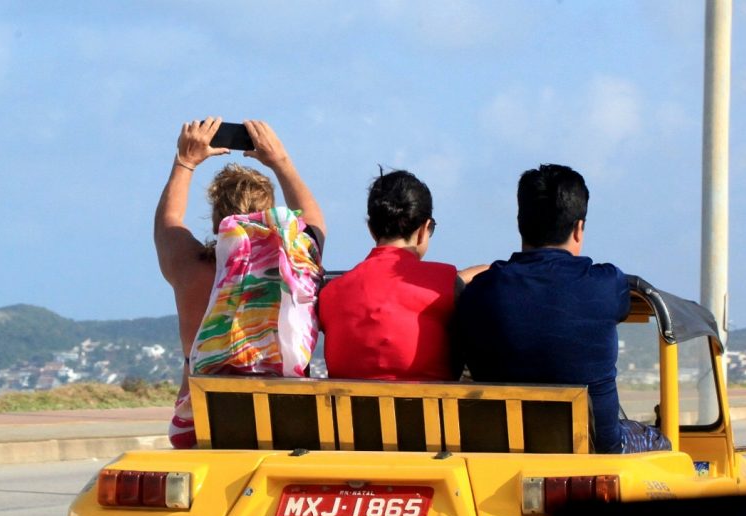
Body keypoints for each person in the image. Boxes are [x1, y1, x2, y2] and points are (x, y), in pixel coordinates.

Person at [455, 164, 670, 453]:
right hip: (598, 449)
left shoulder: (481, 291)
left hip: (503, 448)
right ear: (578, 228)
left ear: (520, 223)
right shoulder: (607, 284)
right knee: (659, 440)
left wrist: (468, 277)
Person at [154, 117, 326, 449]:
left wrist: (185, 161)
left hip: (201, 423)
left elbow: (168, 221)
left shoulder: (191, 268)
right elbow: (314, 221)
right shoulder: (299, 260)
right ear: (270, 214)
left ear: (217, 222)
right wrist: (281, 161)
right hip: (286, 422)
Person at [318, 168, 472, 381]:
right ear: (424, 230)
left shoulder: (330, 293)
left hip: (347, 404)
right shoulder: (446, 283)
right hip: (429, 404)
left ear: (371, 229)